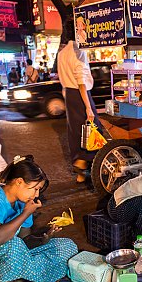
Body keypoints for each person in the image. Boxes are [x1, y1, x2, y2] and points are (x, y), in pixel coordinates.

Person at [57, 32, 103, 183]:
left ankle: (80, 173)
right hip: (80, 94)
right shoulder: (79, 52)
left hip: (69, 94)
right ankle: (85, 163)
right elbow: (81, 82)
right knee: (92, 129)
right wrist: (88, 108)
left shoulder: (62, 53)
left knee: (75, 131)